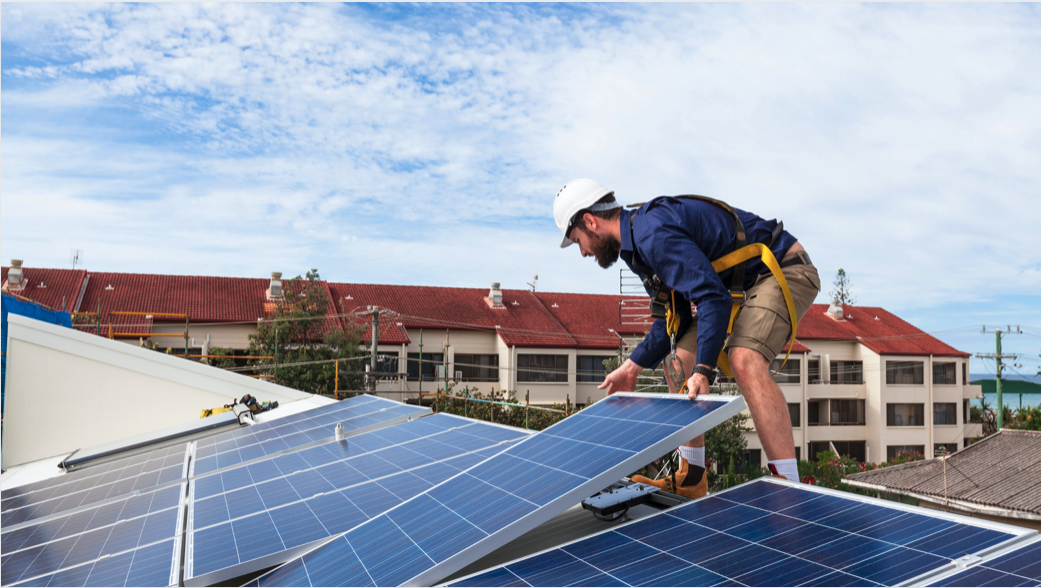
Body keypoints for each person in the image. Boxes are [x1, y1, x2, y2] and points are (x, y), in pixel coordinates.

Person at [554, 179, 820, 499]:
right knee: (678, 361)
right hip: (734, 287)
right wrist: (631, 368)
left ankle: (789, 489)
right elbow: (673, 320)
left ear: (590, 221)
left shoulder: (652, 233)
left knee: (744, 359)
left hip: (781, 268)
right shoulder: (636, 247)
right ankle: (691, 478)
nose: (583, 252)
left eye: (578, 240)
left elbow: (712, 298)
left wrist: (704, 370)